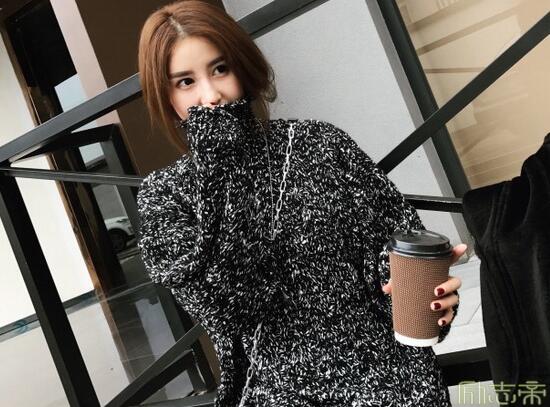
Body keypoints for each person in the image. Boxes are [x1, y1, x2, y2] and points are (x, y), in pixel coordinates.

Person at [136, 1, 465, 406]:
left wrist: (421, 294)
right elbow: (229, 307)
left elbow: (392, 241)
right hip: (274, 389)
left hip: (384, 375)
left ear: (242, 67)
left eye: (220, 69)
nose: (211, 95)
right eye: (186, 82)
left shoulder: (319, 143)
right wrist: (223, 167)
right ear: (166, 96)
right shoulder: (166, 194)